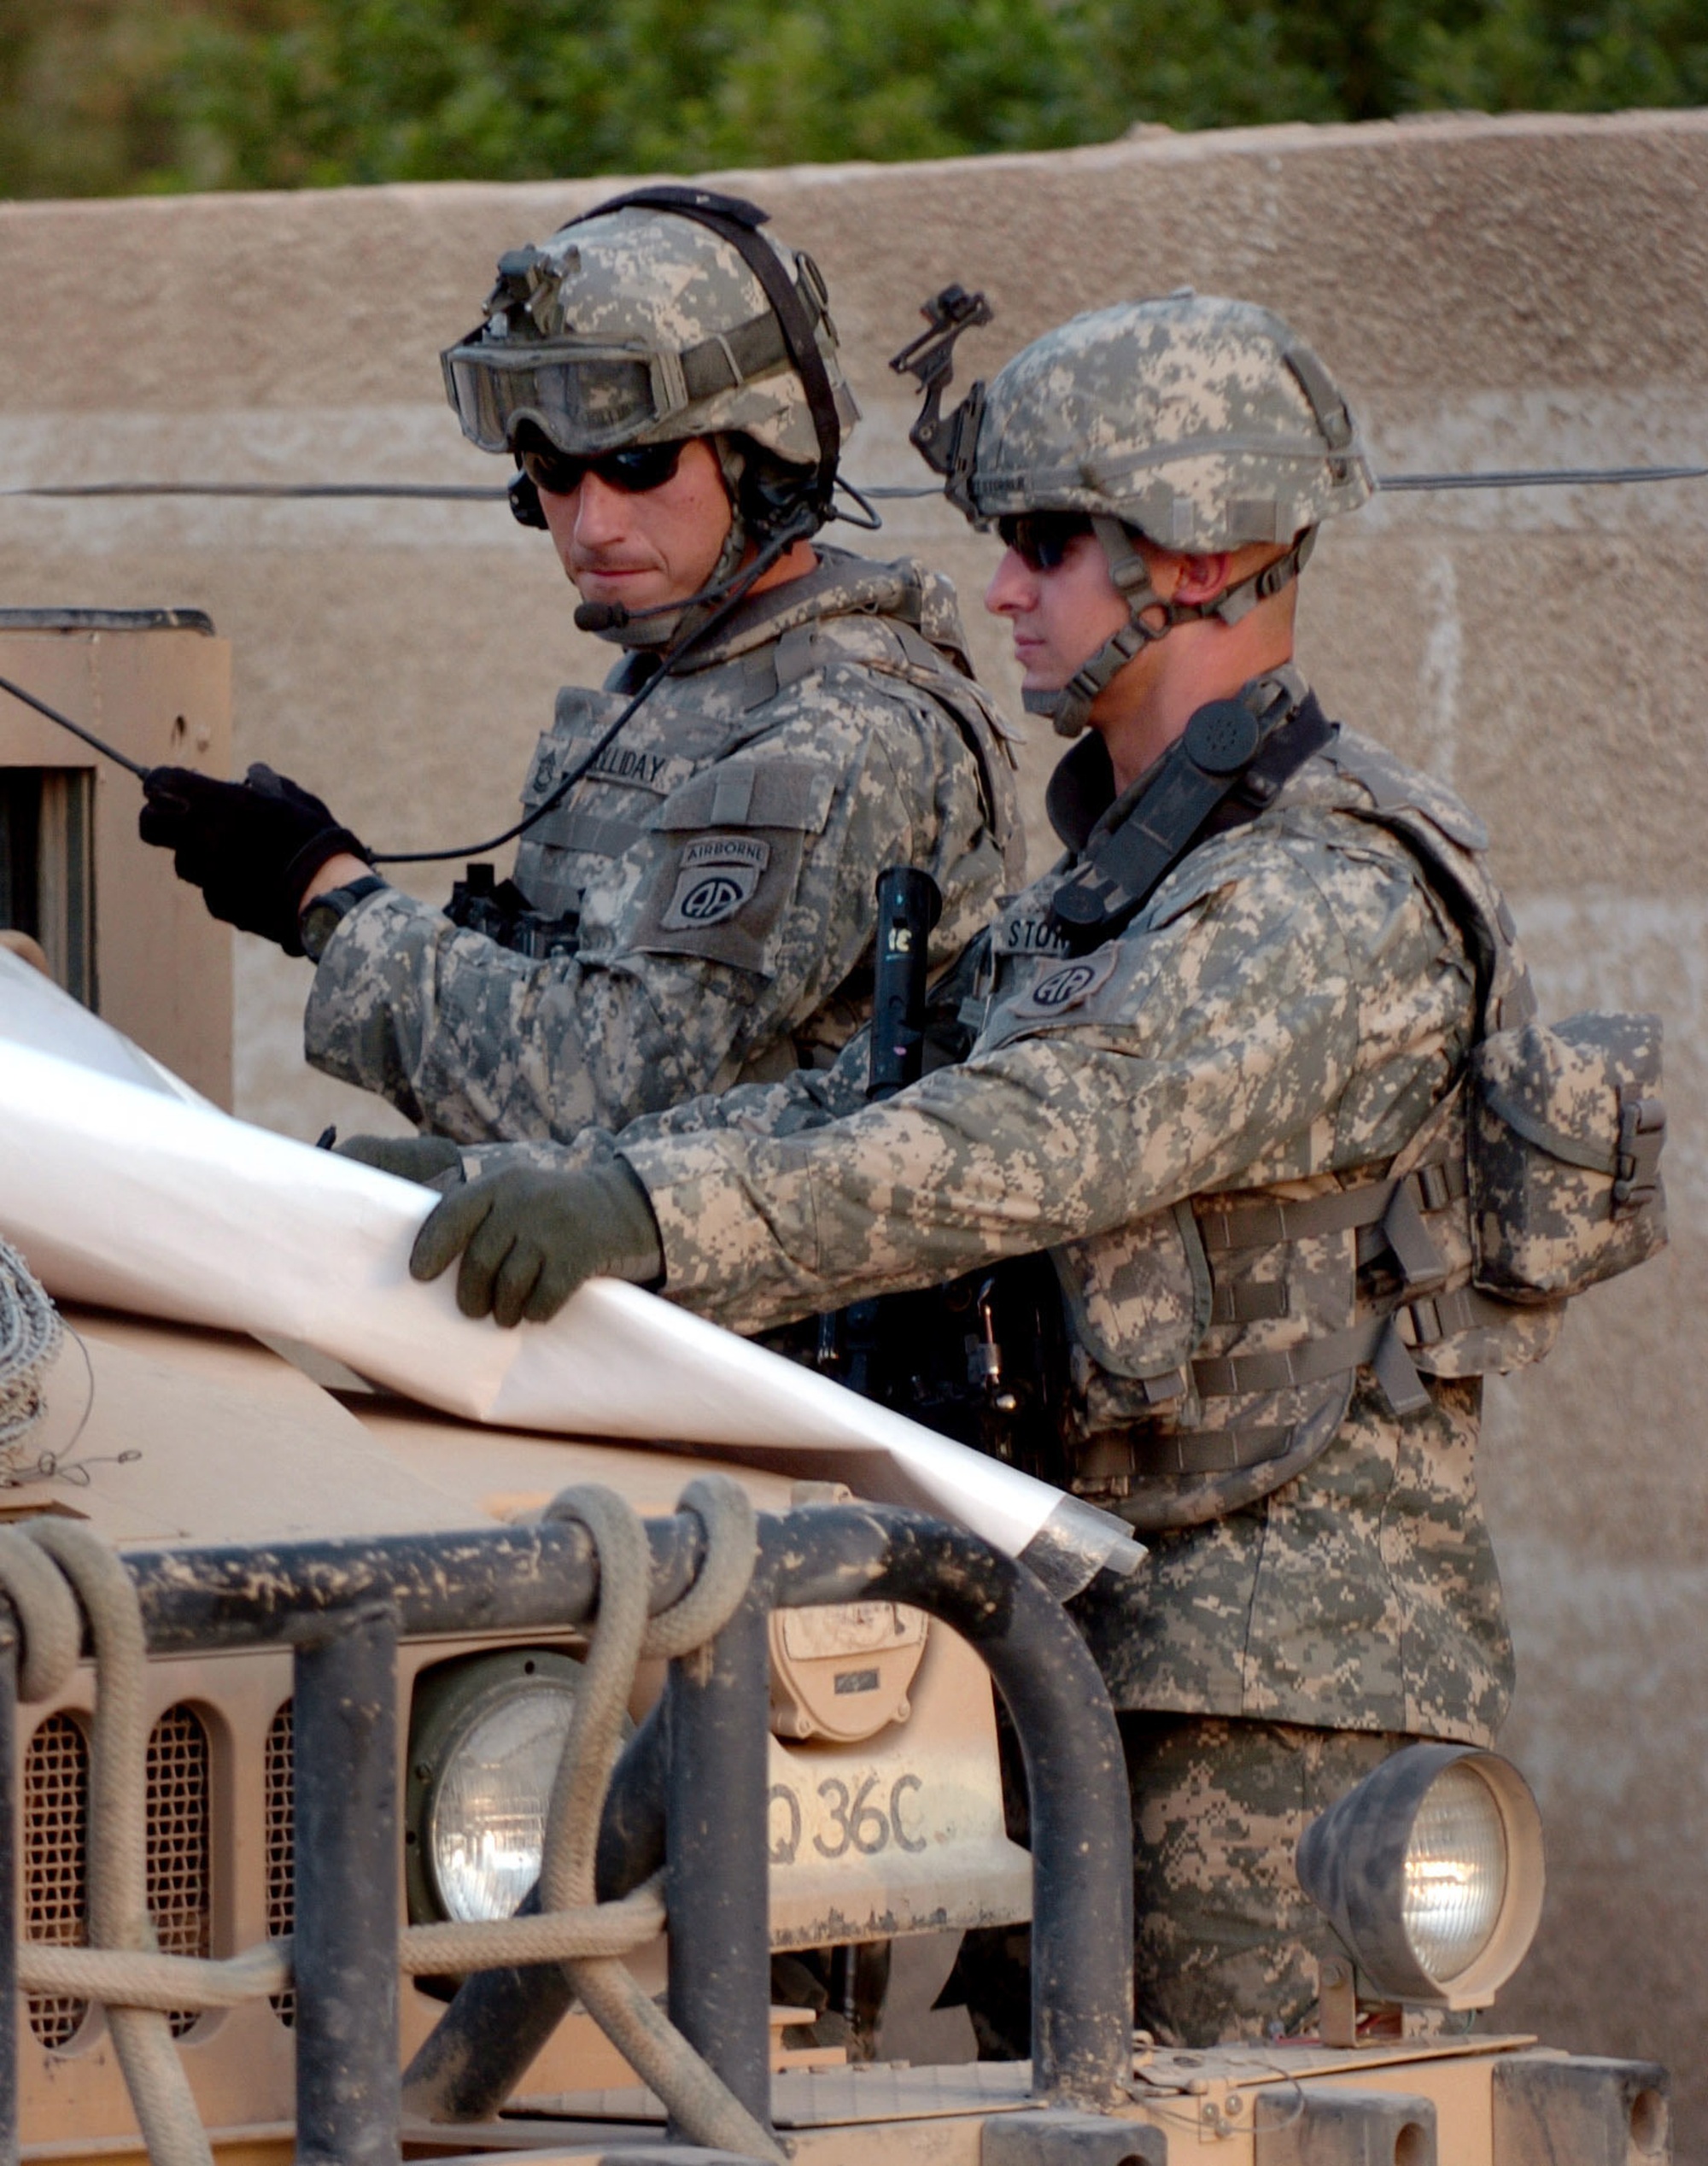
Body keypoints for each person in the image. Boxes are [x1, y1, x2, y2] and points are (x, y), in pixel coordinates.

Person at [354, 294, 1608, 2043]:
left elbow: (1007, 1146)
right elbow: (862, 1096)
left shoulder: (1330, 897)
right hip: (1072, 1634)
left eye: (1047, 544)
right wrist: (534, 1174)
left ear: (1212, 551)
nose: (1003, 589)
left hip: (1275, 1690)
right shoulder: (1111, 891)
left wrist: (640, 1218)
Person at [138, 186, 1020, 1145]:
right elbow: (559, 1007)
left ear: (760, 453)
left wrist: (327, 896)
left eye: (638, 463)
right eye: (552, 469)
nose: (591, 522)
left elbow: (608, 1085)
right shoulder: (682, 673)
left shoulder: (844, 725)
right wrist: (320, 900)